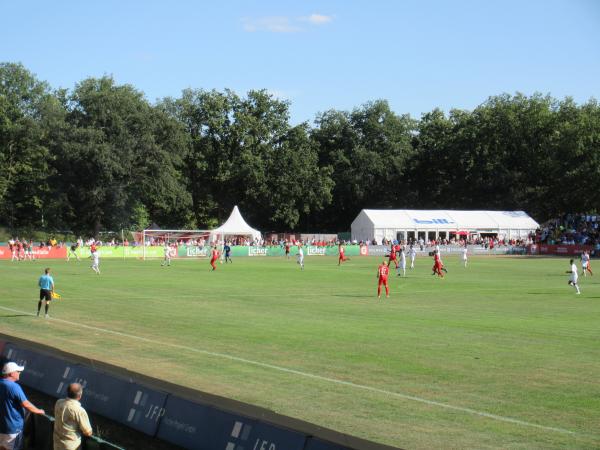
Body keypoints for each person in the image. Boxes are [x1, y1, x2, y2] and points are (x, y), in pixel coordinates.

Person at [0, 362, 45, 450]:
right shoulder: (14, 387)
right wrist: (39, 411)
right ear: (11, 373)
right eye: (18, 371)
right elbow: (26, 404)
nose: (19, 373)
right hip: (12, 430)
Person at [53, 383, 93, 450]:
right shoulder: (80, 411)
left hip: (57, 444)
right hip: (72, 447)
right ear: (80, 396)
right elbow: (88, 432)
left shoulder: (58, 402)